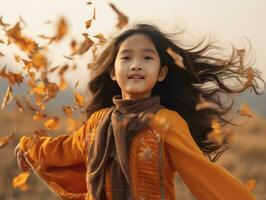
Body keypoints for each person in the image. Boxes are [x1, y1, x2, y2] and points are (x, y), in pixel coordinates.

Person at [15, 23, 264, 200]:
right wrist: (30, 147)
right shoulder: (98, 121)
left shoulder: (166, 122)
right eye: (126, 58)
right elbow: (66, 149)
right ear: (113, 72)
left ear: (162, 72)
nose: (136, 65)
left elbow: (204, 175)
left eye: (147, 58)